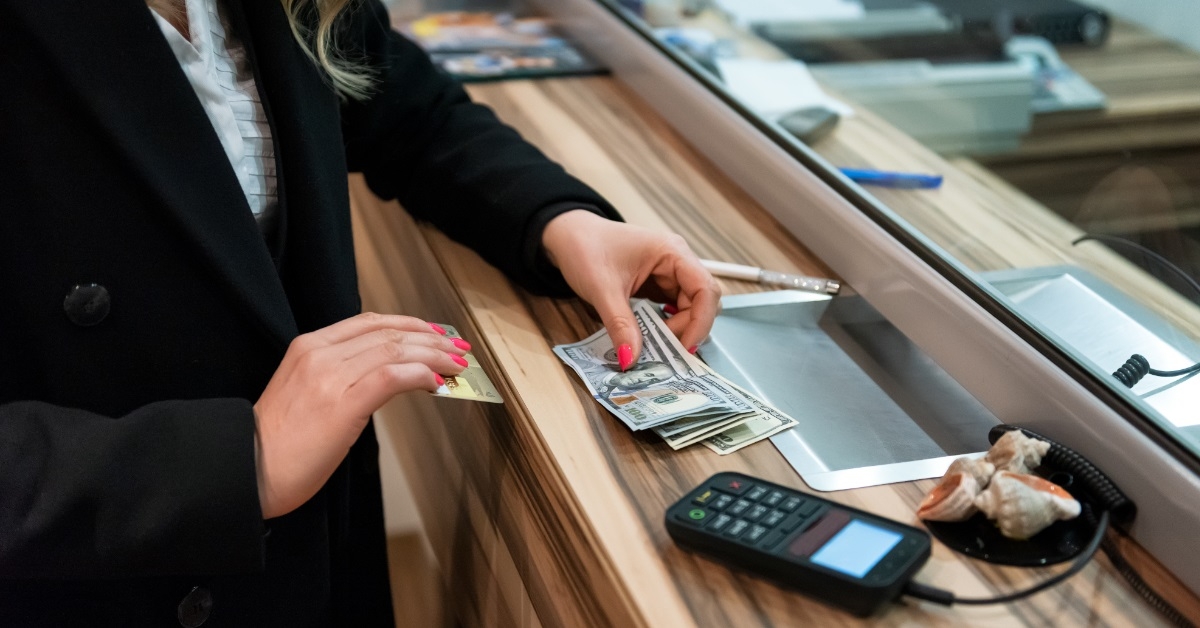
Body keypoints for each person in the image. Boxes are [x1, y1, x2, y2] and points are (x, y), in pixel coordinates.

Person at [0, 0, 719, 626]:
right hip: (103, 575)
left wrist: (558, 220)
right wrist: (236, 460)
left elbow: (407, 110)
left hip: (312, 547)